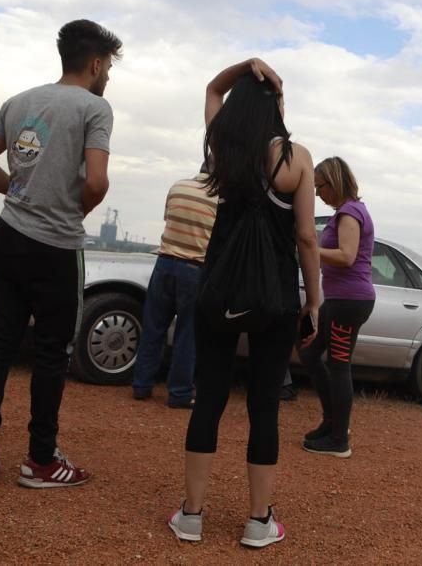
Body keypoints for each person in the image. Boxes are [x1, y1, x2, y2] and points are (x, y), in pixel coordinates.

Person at [0, 19, 122, 491]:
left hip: (9, 236)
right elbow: (96, 181)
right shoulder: (96, 107)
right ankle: (40, 460)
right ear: (95, 63)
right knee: (52, 353)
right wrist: (73, 208)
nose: (107, 74)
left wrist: (17, 189)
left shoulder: (19, 102)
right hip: (56, 247)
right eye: (108, 66)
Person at [167, 58, 320, 548]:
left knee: (208, 398)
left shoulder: (222, 148)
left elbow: (212, 88)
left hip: (219, 289)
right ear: (277, 103)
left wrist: (246, 66)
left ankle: (191, 514)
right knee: (264, 408)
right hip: (274, 297)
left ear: (236, 107)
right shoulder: (296, 159)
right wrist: (313, 301)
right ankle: (259, 521)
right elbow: (305, 238)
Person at [298, 157, 375, 458]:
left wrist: (309, 250)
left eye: (320, 187)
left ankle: (339, 439)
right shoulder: (345, 212)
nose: (317, 194)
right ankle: (332, 423)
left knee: (339, 365)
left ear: (334, 181)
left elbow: (347, 256)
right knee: (309, 352)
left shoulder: (350, 213)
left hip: (350, 301)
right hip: (341, 299)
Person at [132, 167, 218, 409]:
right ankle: (179, 393)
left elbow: (168, 220)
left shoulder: (177, 187)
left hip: (164, 263)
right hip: (195, 269)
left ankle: (141, 385)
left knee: (153, 328)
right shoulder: (218, 197)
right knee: (187, 334)